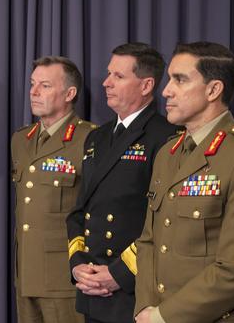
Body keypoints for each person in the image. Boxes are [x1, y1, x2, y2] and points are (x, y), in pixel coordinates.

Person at [133, 42, 234, 323]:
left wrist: (164, 316)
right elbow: (149, 242)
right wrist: (145, 308)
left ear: (213, 90)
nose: (166, 91)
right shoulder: (167, 153)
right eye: (169, 79)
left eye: (180, 80)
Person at [65, 43, 180, 323]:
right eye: (108, 74)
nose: (106, 83)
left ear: (146, 85)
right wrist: (78, 264)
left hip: (132, 288)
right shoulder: (97, 138)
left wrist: (119, 274)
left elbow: (166, 221)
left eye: (118, 76)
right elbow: (80, 210)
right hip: (92, 286)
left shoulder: (167, 137)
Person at [11, 56, 95, 323]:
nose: (34, 92)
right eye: (32, 84)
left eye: (45, 86)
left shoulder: (90, 139)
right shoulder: (21, 140)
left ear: (70, 93)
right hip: (26, 273)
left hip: (63, 276)